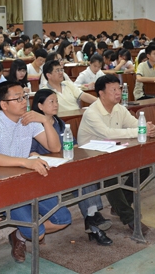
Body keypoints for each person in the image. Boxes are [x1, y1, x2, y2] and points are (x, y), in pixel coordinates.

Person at [0, 81, 70, 263]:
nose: (24, 102)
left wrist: (44, 120)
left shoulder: (29, 119)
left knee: (63, 219)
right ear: (4, 105)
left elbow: (55, 147)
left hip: (26, 182)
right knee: (38, 234)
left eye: (25, 97)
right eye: (18, 98)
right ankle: (23, 233)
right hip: (3, 185)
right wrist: (26, 162)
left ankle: (18, 235)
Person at [30, 89, 112, 245]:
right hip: (47, 171)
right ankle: (93, 221)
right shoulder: (34, 126)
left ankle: (92, 220)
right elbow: (31, 153)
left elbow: (73, 144)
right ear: (40, 106)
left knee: (86, 174)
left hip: (65, 168)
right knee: (83, 178)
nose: (56, 104)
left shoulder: (60, 123)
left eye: (56, 101)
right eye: (51, 102)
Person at [78, 75, 155, 235]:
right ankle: (130, 218)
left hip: (112, 154)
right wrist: (140, 131)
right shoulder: (92, 112)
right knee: (110, 177)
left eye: (119, 89)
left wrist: (148, 128)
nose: (118, 92)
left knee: (143, 168)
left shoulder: (119, 108)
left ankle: (119, 205)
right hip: (90, 159)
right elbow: (108, 133)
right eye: (113, 90)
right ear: (101, 93)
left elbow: (136, 124)